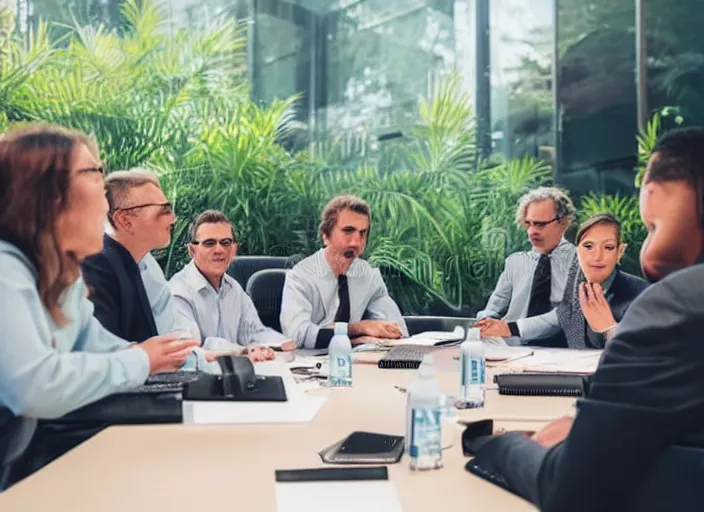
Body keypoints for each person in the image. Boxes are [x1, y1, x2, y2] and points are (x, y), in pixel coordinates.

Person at [468, 127, 704, 511]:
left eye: (650, 227)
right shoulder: (529, 268)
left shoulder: (675, 304)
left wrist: (503, 444)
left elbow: (568, 488)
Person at [0, 124, 198, 421]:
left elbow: (100, 347)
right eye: (96, 175)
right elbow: (35, 389)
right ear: (51, 194)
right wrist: (141, 359)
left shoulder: (65, 279)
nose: (106, 203)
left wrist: (168, 356)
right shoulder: (6, 270)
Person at [81, 169, 198, 343]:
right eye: (164, 210)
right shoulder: (96, 268)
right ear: (125, 220)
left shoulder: (140, 264)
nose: (173, 219)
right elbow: (107, 356)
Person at [280, 195, 408, 349]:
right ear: (326, 236)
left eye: (362, 233)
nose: (356, 242)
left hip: (358, 363)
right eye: (348, 231)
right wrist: (356, 330)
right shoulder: (301, 275)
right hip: (311, 364)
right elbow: (297, 336)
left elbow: (397, 330)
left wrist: (380, 335)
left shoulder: (369, 276)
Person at [169, 210, 296, 361]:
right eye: (209, 243)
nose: (219, 250)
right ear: (192, 250)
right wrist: (242, 351)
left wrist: (282, 343)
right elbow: (191, 350)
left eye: (226, 243)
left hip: (236, 374)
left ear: (234, 249)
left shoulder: (234, 288)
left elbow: (254, 333)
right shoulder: (177, 293)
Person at [511, 213, 649, 348]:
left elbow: (647, 353)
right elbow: (560, 316)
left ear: (619, 252)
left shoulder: (641, 295)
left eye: (608, 247)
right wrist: (510, 328)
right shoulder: (575, 281)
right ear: (577, 251)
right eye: (588, 246)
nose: (597, 256)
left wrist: (609, 328)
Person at [474, 187, 576, 346]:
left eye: (540, 225)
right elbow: (496, 304)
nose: (531, 232)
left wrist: (511, 328)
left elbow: (564, 314)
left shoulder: (581, 262)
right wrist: (486, 321)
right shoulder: (515, 263)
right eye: (528, 224)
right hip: (514, 351)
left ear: (563, 222)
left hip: (563, 353)